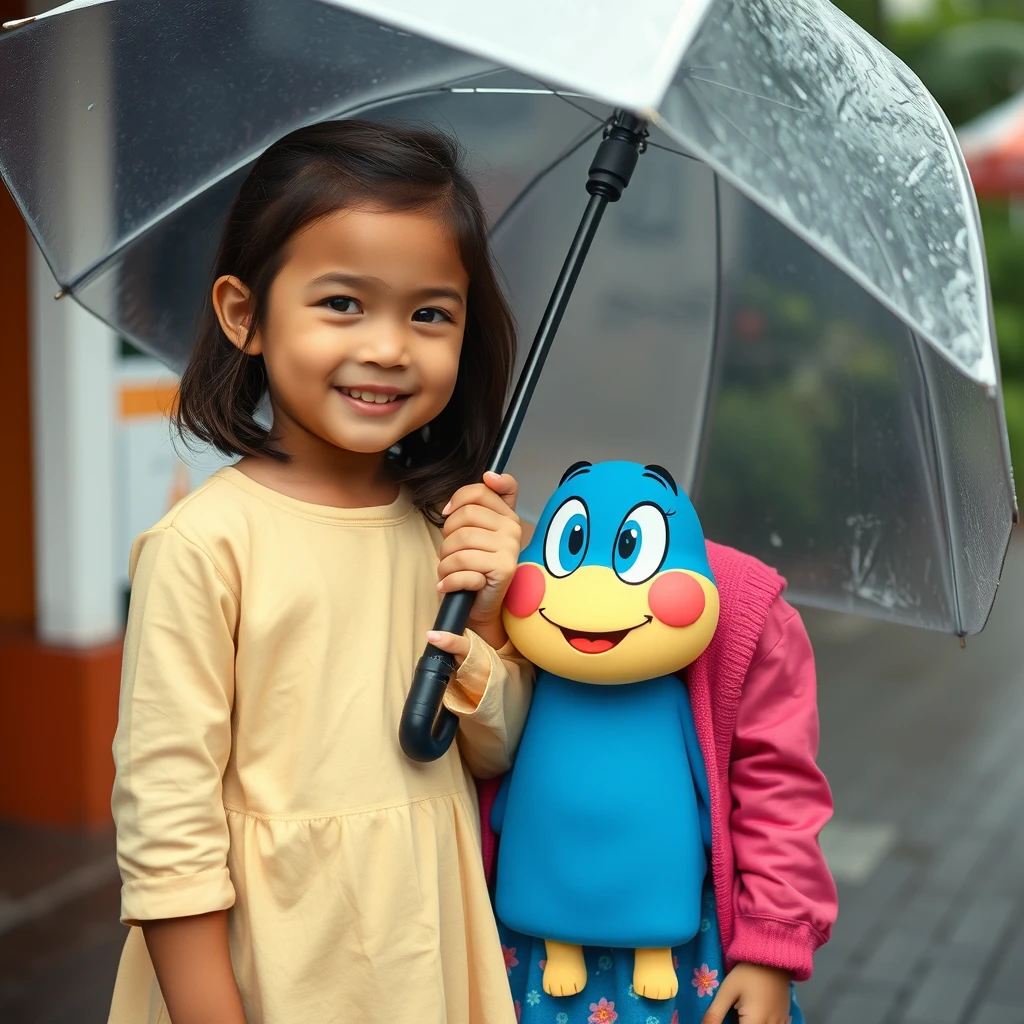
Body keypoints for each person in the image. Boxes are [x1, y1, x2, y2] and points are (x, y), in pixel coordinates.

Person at [107, 119, 533, 1024]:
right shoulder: (206, 544)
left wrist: (491, 616)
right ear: (244, 315)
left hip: (420, 951)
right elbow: (166, 823)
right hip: (270, 967)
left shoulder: (442, 530)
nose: (388, 346)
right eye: (343, 303)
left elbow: (490, 751)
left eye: (429, 313)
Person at [482, 518, 839, 1024]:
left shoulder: (744, 609)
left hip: (692, 953)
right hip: (532, 940)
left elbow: (778, 790)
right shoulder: (505, 571)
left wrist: (771, 947)